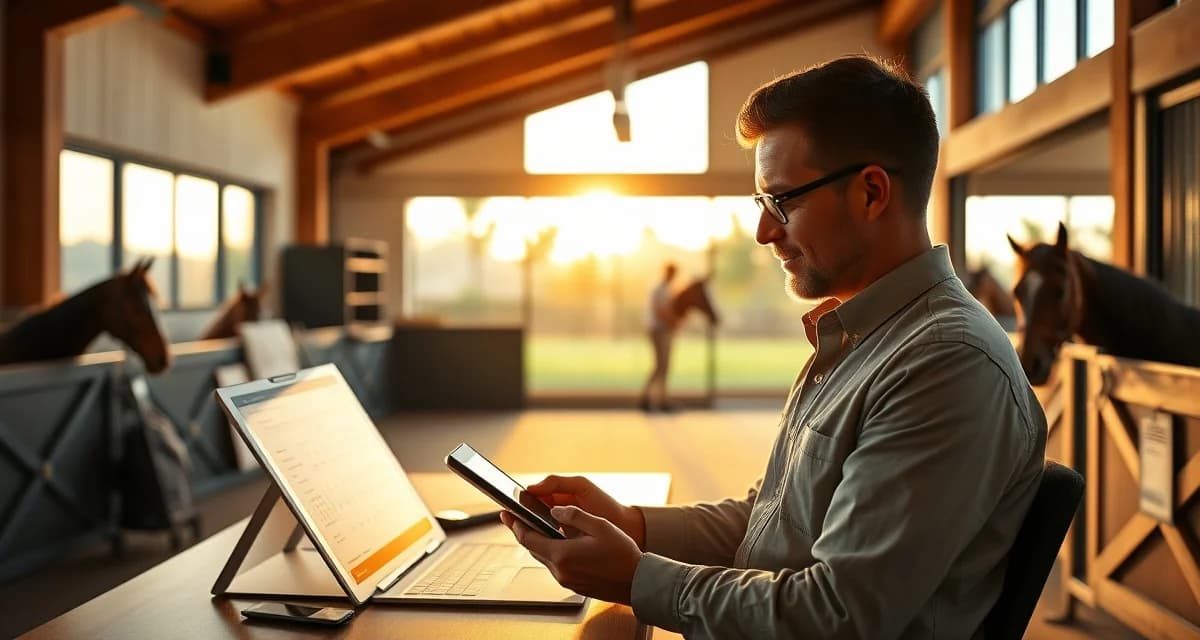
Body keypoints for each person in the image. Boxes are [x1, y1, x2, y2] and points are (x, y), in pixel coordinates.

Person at [500, 54, 1048, 638]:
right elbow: (771, 524)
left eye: (781, 201)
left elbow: (837, 617)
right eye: (762, 205)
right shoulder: (861, 338)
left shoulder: (945, 362)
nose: (764, 232)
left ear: (871, 193)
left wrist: (637, 580)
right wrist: (633, 525)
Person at [639, 262, 678, 412]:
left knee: (664, 366)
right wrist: (673, 321)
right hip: (658, 330)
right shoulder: (659, 289)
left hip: (663, 330)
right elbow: (660, 310)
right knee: (660, 365)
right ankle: (649, 398)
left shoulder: (667, 289)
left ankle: (660, 398)